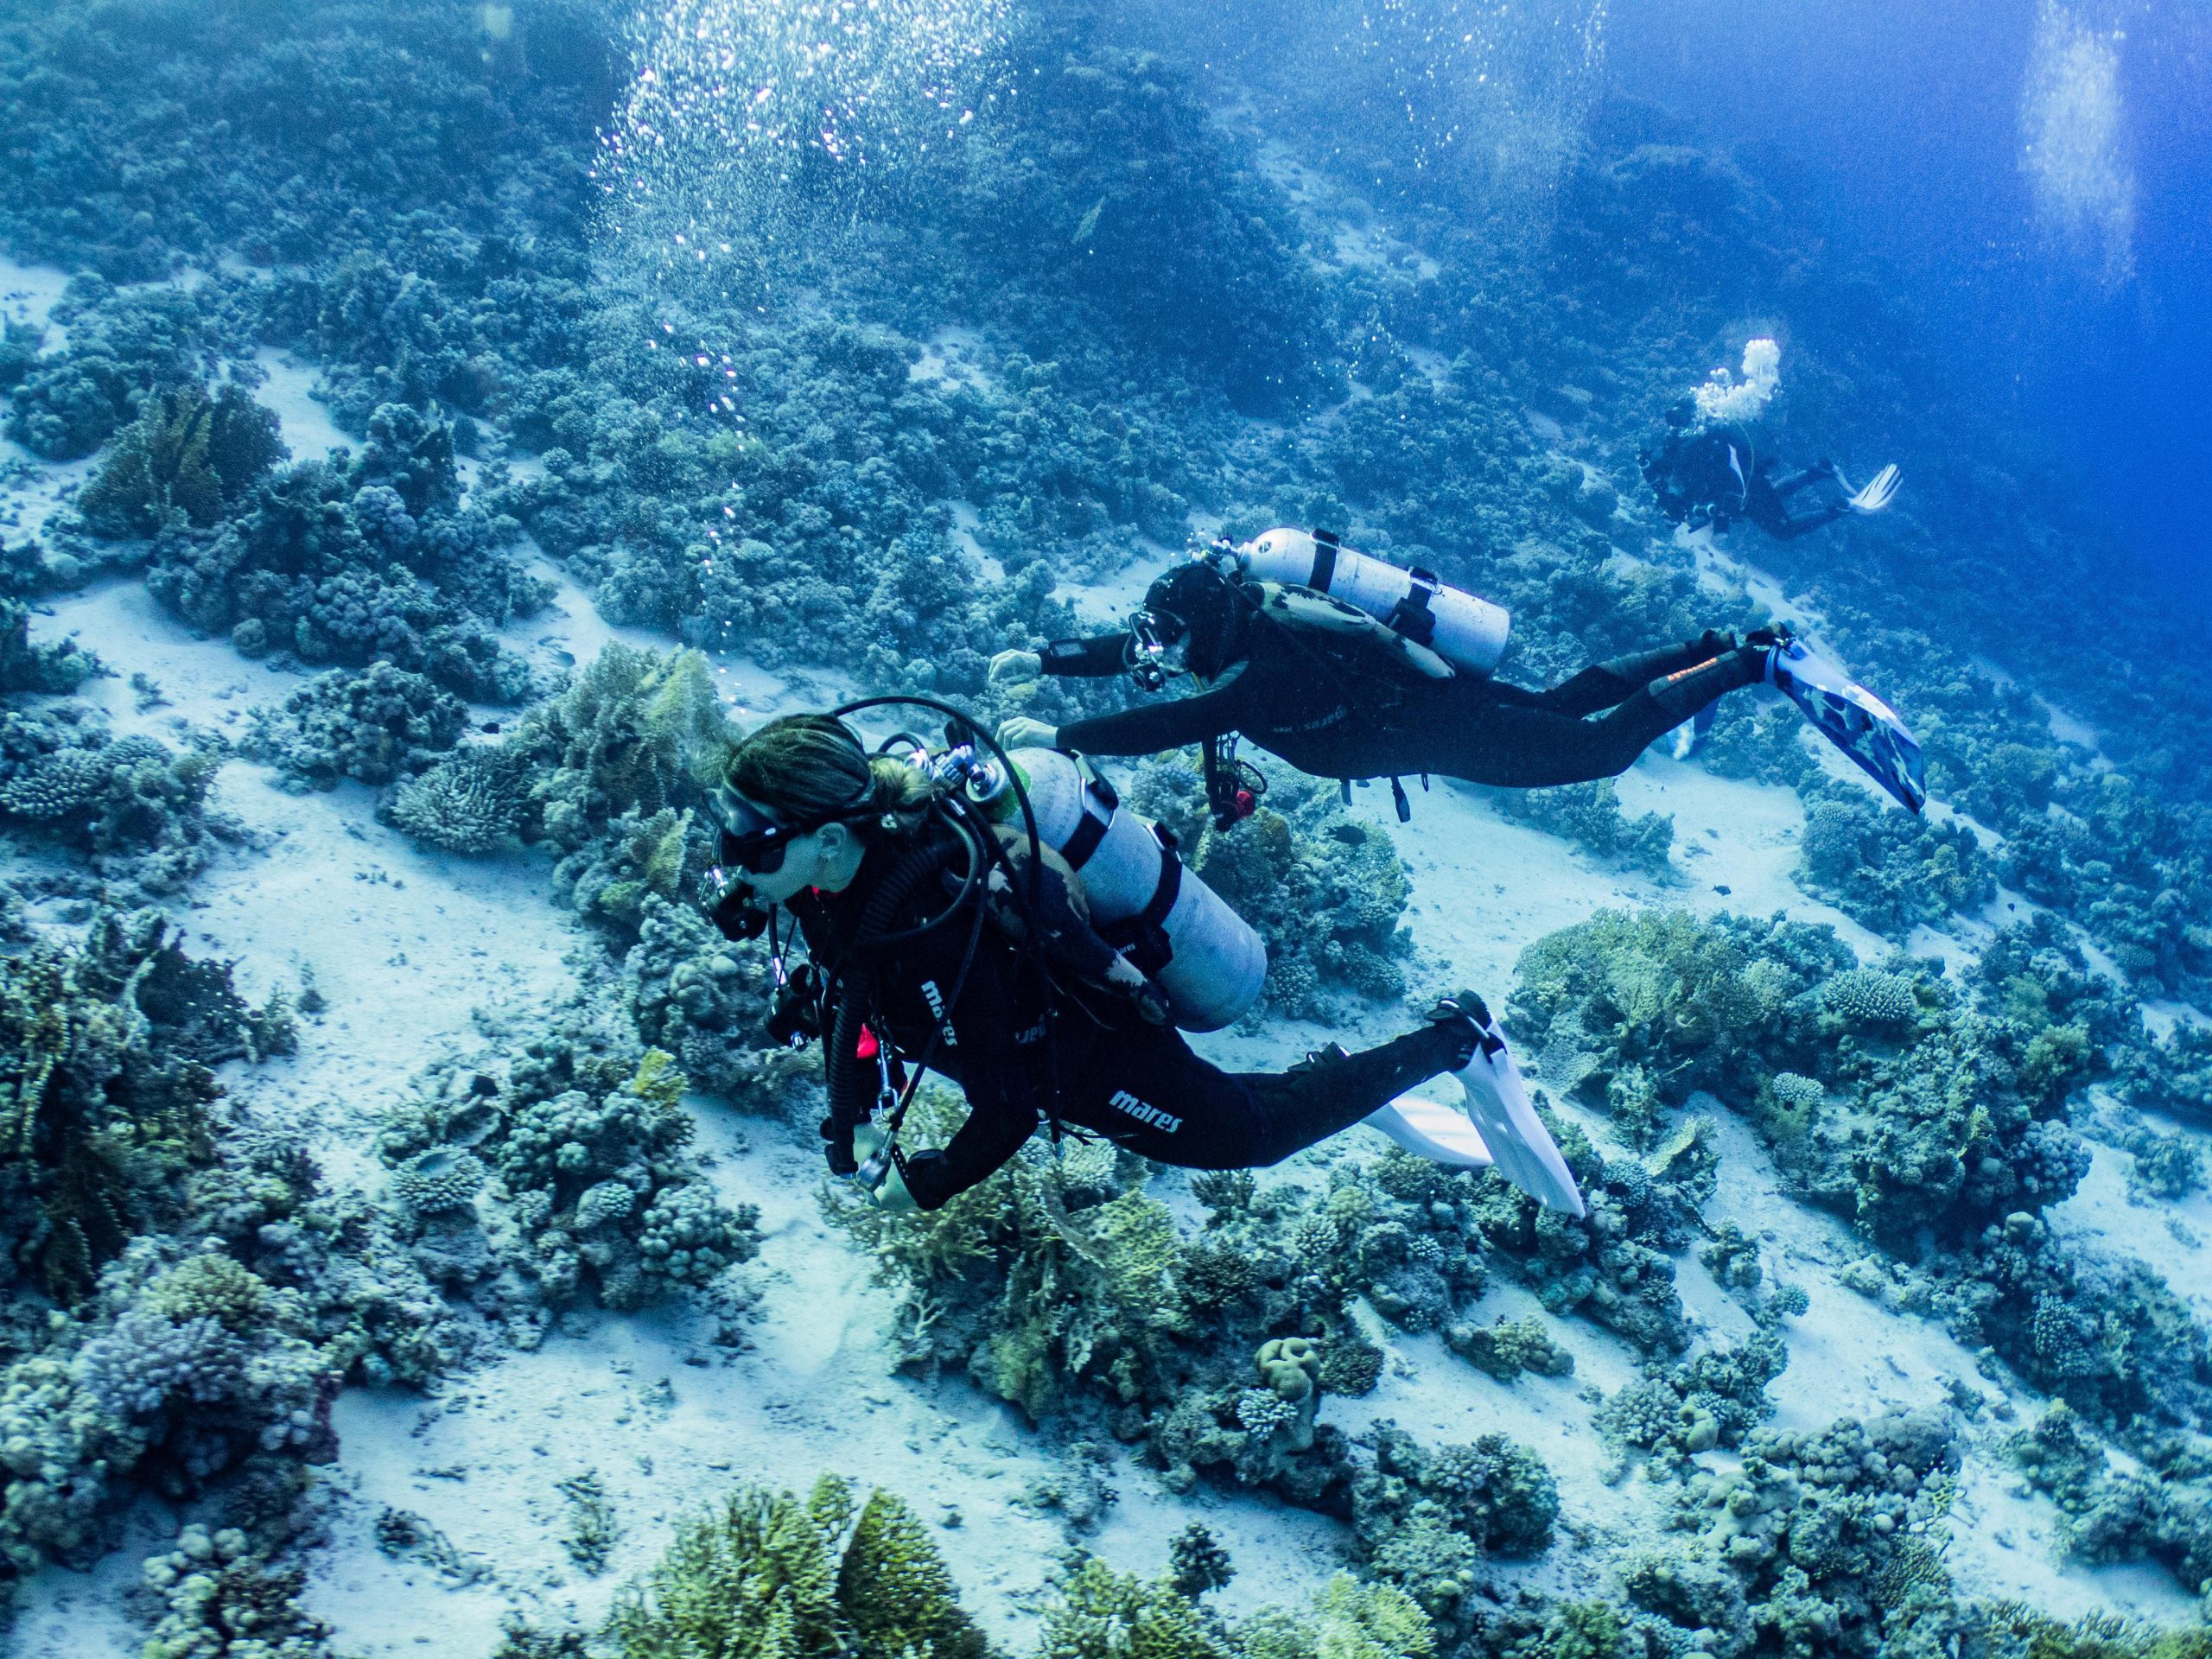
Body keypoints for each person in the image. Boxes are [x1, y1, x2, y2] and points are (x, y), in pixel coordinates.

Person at [702, 713, 1585, 1216]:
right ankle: (1338, 1082)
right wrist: (850, 1122)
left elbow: (1005, 1108)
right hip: (1030, 1048)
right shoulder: (826, 891)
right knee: (1252, 1110)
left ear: (825, 839)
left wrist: (923, 1184)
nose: (729, 855)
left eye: (747, 837)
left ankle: (1453, 1040)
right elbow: (853, 1008)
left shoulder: (929, 920)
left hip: (1091, 1056)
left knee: (1248, 1137)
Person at [987, 554, 1927, 814]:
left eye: (1166, 634)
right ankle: (1721, 640)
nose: (1154, 647)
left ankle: (1754, 663)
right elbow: (1139, 656)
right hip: (1444, 709)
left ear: (1208, 624)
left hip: (1449, 728)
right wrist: (1048, 659)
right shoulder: (1255, 635)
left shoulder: (1255, 677)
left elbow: (1165, 722)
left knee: (1595, 747)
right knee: (1564, 704)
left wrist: (1064, 744)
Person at [1638, 400, 1900, 543]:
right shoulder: (1680, 448)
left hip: (1742, 488)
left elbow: (1733, 491)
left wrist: (1715, 517)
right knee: (1767, 495)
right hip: (1747, 483)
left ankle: (1840, 508)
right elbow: (1656, 473)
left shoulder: (1691, 452)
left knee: (1784, 531)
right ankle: (1818, 471)